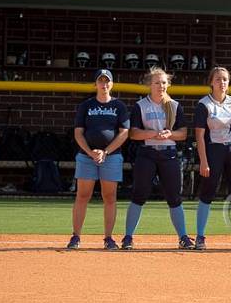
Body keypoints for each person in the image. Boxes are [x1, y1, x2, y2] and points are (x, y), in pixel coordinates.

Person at [121, 67, 194, 250]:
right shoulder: (141, 106)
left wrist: (170, 133)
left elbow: (183, 133)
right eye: (156, 82)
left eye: (163, 82)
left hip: (168, 153)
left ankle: (183, 237)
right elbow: (134, 133)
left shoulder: (174, 106)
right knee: (139, 194)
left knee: (174, 197)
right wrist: (153, 134)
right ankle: (128, 237)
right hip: (147, 153)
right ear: (149, 85)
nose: (160, 86)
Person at [67, 68, 130, 250]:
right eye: (100, 81)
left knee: (109, 197)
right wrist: (90, 151)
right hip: (86, 157)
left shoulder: (119, 106)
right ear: (95, 84)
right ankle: (76, 236)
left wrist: (106, 152)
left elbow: (124, 132)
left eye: (107, 81)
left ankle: (109, 238)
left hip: (111, 157)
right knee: (82, 196)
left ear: (112, 84)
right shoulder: (86, 105)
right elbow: (78, 132)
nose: (104, 84)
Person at [193, 66, 231, 251]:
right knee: (208, 192)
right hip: (214, 150)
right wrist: (203, 160)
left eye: (225, 79)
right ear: (211, 82)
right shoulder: (204, 104)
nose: (222, 83)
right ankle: (200, 237)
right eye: (218, 79)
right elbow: (200, 136)